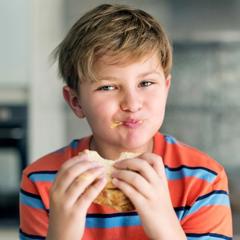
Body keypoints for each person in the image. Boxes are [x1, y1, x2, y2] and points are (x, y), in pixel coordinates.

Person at [19, 4, 232, 240]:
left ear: (166, 89)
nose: (131, 103)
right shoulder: (42, 182)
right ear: (76, 102)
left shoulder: (203, 180)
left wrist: (164, 223)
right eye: (107, 87)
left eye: (146, 83)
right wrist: (62, 233)